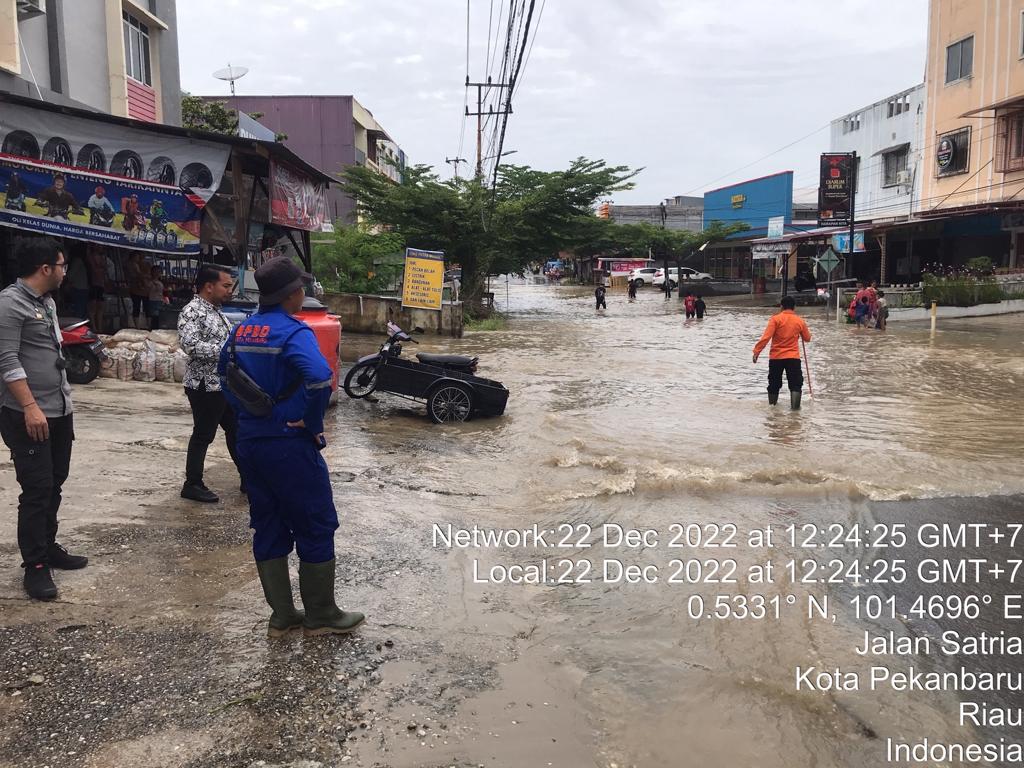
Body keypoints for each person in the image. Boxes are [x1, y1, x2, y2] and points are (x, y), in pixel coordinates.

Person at [219, 256, 364, 637]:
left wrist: (249, 415)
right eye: (302, 288)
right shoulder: (293, 331)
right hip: (288, 445)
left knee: (267, 523)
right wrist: (310, 420)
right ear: (293, 294)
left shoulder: (240, 331)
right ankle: (321, 615)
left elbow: (224, 379)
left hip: (250, 443)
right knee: (315, 522)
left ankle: (282, 617)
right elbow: (319, 378)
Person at [0, 238, 88, 600]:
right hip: (28, 414)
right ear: (45, 268)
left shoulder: (47, 303)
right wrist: (31, 407)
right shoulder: (9, 303)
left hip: (59, 411)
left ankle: (48, 545)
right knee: (36, 490)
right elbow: (6, 360)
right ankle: (35, 566)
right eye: (62, 265)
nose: (66, 271)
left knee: (55, 482)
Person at [177, 264, 241, 503]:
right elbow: (189, 345)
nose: (230, 290)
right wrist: (226, 351)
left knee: (236, 430)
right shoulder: (192, 311)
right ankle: (192, 483)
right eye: (226, 285)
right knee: (204, 434)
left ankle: (248, 477)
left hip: (222, 384)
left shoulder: (216, 311)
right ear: (208, 286)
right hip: (203, 384)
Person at [752, 295, 811, 410]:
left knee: (774, 383)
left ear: (781, 307)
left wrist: (756, 352)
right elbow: (807, 338)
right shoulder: (800, 321)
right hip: (793, 358)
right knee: (796, 384)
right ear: (794, 307)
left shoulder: (775, 319)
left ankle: (772, 409)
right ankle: (795, 412)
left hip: (776, 357)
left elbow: (766, 337)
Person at [84, 245, 107, 334]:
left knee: (100, 305)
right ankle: (94, 326)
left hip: (100, 283)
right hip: (93, 283)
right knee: (93, 305)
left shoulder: (102, 258)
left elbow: (104, 269)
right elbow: (94, 268)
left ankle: (99, 326)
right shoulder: (91, 257)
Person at [126, 253, 149, 330]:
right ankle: (137, 325)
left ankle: (142, 325)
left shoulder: (139, 265)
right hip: (136, 288)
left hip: (141, 289)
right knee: (137, 306)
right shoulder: (132, 265)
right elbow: (138, 275)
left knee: (142, 307)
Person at [66, 254, 90, 320]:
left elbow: (70, 275)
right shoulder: (82, 261)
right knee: (81, 310)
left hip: (78, 288)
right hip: (82, 288)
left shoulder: (77, 261)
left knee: (79, 311)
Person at [146, 265, 166, 331]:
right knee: (154, 317)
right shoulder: (150, 282)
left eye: (159, 272)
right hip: (153, 300)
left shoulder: (160, 282)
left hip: (159, 300)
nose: (158, 273)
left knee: (159, 317)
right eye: (156, 272)